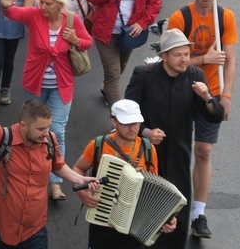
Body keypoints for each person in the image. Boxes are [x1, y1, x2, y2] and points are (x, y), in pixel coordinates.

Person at [0, 89, 99, 247]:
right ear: (23, 126)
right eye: (40, 129)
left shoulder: (50, 140)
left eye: (48, 127)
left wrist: (79, 179)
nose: (46, 133)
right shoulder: (0, 137)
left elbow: (57, 164)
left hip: (34, 231)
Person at [125, 29, 224, 249]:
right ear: (164, 56)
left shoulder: (194, 76)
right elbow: (124, 115)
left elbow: (214, 115)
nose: (184, 59)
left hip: (179, 158)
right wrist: (146, 132)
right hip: (147, 159)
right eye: (178, 55)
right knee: (144, 216)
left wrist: (206, 96)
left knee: (176, 217)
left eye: (187, 54)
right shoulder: (145, 75)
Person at [0, 0, 93, 200]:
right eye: (41, 2)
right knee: (31, 130)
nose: (43, 6)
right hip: (35, 84)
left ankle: (55, 182)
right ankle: (28, 170)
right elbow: (13, 12)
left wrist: (75, 40)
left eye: (48, 3)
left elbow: (88, 42)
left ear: (60, 4)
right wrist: (5, 5)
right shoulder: (34, 15)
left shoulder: (72, 20)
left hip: (62, 86)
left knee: (56, 131)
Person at [166, 0, 238, 238]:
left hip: (212, 92)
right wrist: (203, 60)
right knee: (178, 149)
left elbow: (229, 60)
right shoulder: (180, 18)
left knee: (204, 151)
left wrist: (227, 96)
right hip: (183, 90)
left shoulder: (225, 17)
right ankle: (172, 203)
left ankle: (198, 213)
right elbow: (172, 60)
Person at [73, 99, 177, 249]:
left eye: (136, 123)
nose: (133, 128)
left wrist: (165, 219)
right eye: (127, 123)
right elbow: (77, 169)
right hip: (102, 222)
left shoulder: (149, 149)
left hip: (133, 228)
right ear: (113, 122)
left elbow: (154, 192)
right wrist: (82, 193)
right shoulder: (98, 145)